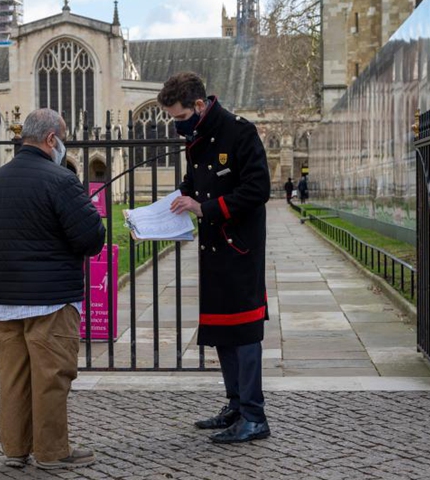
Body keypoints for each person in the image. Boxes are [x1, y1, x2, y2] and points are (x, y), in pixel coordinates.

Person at [0, 108, 105, 470]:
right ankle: (52, 452)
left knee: (14, 379)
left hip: (5, 300)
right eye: (63, 137)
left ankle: (15, 449)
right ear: (52, 139)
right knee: (51, 377)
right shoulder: (60, 180)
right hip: (50, 300)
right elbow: (91, 237)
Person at [160, 72, 271, 444]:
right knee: (223, 330)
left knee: (245, 332)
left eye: (179, 117)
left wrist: (204, 207)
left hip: (240, 249)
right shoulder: (199, 139)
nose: (177, 125)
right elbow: (194, 185)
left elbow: (257, 189)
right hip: (213, 250)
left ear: (198, 105)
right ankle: (236, 406)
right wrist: (169, 207)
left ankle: (255, 417)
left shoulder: (240, 132)